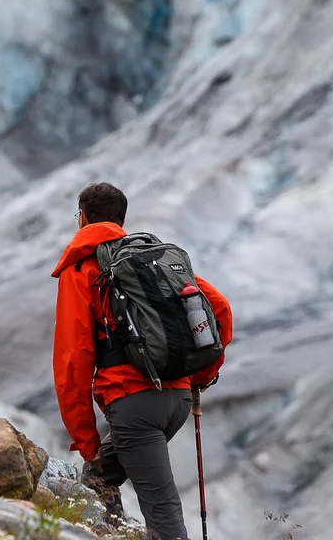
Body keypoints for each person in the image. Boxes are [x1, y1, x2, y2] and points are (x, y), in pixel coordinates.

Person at [52, 182, 233, 540]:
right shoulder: (151, 260)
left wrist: (86, 442)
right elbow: (220, 310)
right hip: (177, 399)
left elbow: (73, 360)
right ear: (122, 219)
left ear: (82, 219)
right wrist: (198, 377)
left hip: (133, 404)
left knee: (162, 511)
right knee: (97, 480)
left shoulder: (84, 270)